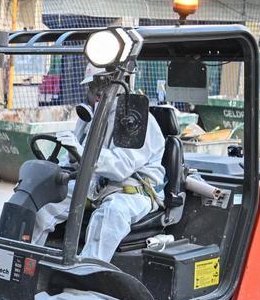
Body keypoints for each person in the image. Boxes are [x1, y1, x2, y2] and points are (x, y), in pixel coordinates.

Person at [31, 63, 166, 262]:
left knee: (109, 216)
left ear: (121, 84)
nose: (96, 91)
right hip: (93, 185)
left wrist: (82, 152)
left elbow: (121, 168)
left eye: (101, 84)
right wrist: (66, 161)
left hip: (131, 191)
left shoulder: (137, 120)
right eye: (93, 85)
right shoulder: (90, 117)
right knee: (42, 204)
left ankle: (84, 279)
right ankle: (23, 264)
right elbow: (77, 159)